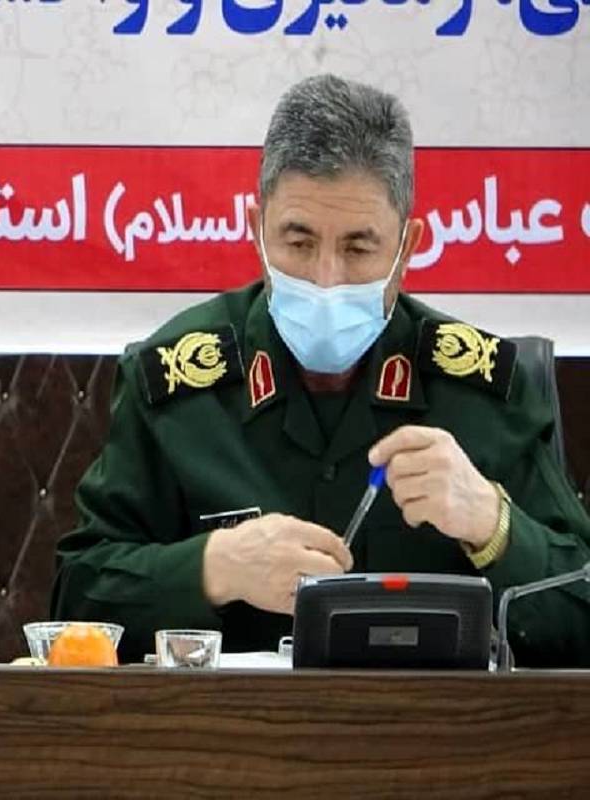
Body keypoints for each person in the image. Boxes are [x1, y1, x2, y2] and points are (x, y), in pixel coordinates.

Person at [51, 75, 590, 667]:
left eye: (358, 249)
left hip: (440, 724)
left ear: (407, 249)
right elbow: (74, 604)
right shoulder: (174, 381)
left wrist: (492, 524)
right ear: (257, 229)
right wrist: (215, 567)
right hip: (225, 725)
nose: (326, 279)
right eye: (299, 243)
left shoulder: (481, 390)